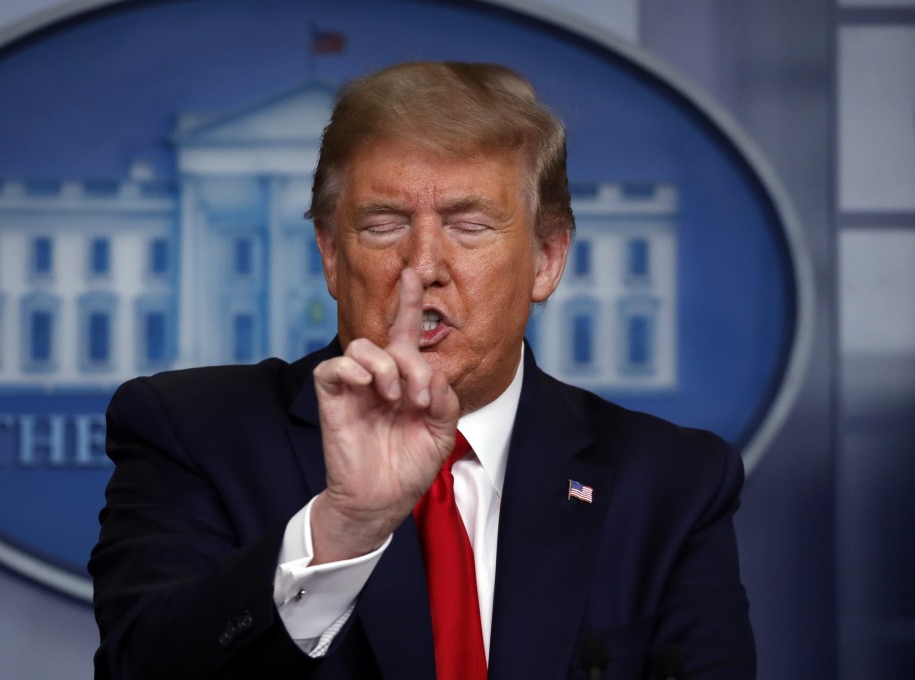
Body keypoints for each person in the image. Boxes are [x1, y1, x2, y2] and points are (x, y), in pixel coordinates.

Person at [89, 62, 756, 679]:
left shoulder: (673, 484)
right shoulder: (192, 432)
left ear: (548, 260)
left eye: (470, 226)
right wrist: (343, 529)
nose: (424, 265)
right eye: (383, 225)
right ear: (328, 254)